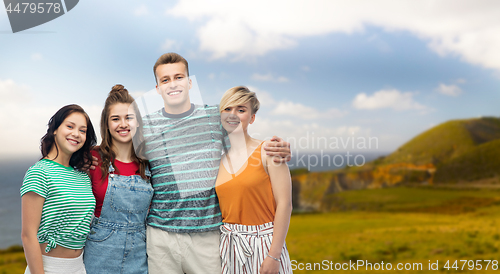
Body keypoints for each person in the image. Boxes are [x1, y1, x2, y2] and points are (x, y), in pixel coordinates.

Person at [139, 52, 292, 274]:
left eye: (179, 77)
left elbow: (244, 134)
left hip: (207, 236)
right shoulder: (145, 126)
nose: (173, 84)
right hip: (161, 236)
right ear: (157, 88)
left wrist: (282, 147)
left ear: (189, 82)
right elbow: (120, 154)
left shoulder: (215, 115)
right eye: (165, 79)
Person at [216, 86, 293, 274]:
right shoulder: (216, 158)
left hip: (265, 245)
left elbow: (285, 204)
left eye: (241, 110)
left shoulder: (268, 151)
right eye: (227, 109)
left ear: (251, 118)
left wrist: (274, 256)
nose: (233, 115)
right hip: (229, 246)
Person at [83, 85, 153, 273]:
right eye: (115, 119)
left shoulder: (149, 163)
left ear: (137, 122)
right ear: (106, 124)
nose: (123, 124)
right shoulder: (91, 158)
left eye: (129, 118)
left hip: (139, 256)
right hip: (98, 255)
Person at [20, 104, 97, 274]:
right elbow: (28, 235)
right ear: (55, 129)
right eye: (70, 126)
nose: (76, 134)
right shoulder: (39, 172)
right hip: (48, 268)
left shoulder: (83, 176)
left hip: (79, 267)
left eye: (82, 130)